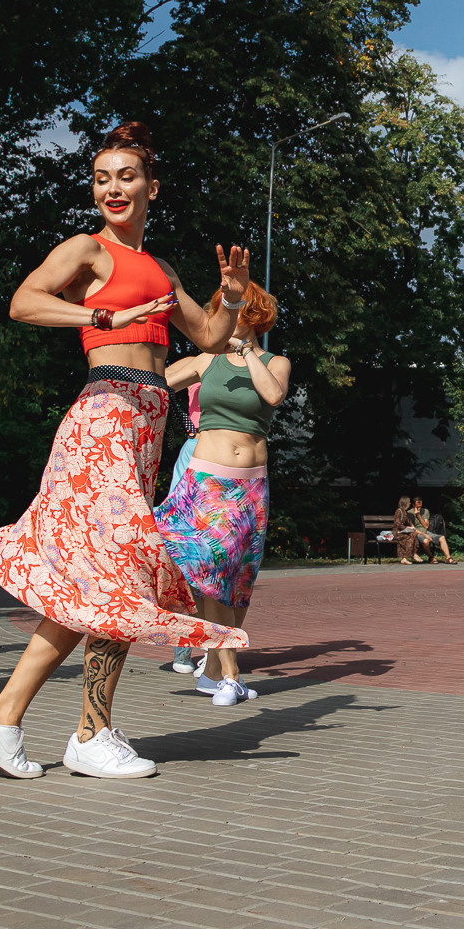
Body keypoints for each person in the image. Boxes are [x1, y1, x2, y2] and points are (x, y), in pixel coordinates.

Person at [0, 122, 252, 781]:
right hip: (104, 419)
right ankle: (88, 734)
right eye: (101, 178)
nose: (112, 188)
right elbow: (23, 302)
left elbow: (206, 336)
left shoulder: (162, 268)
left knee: (104, 584)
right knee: (118, 580)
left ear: (152, 187)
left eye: (126, 177)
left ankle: (6, 720)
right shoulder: (87, 251)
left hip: (144, 424)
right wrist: (98, 318)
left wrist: (230, 299)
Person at [157, 287, 289, 707]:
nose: (223, 316)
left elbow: (272, 395)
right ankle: (232, 673)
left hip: (251, 485)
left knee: (238, 582)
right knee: (208, 565)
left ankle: (213, 671)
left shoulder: (275, 362)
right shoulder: (204, 361)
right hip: (207, 480)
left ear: (253, 316)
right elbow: (151, 383)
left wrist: (246, 351)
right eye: (219, 310)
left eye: (233, 310)